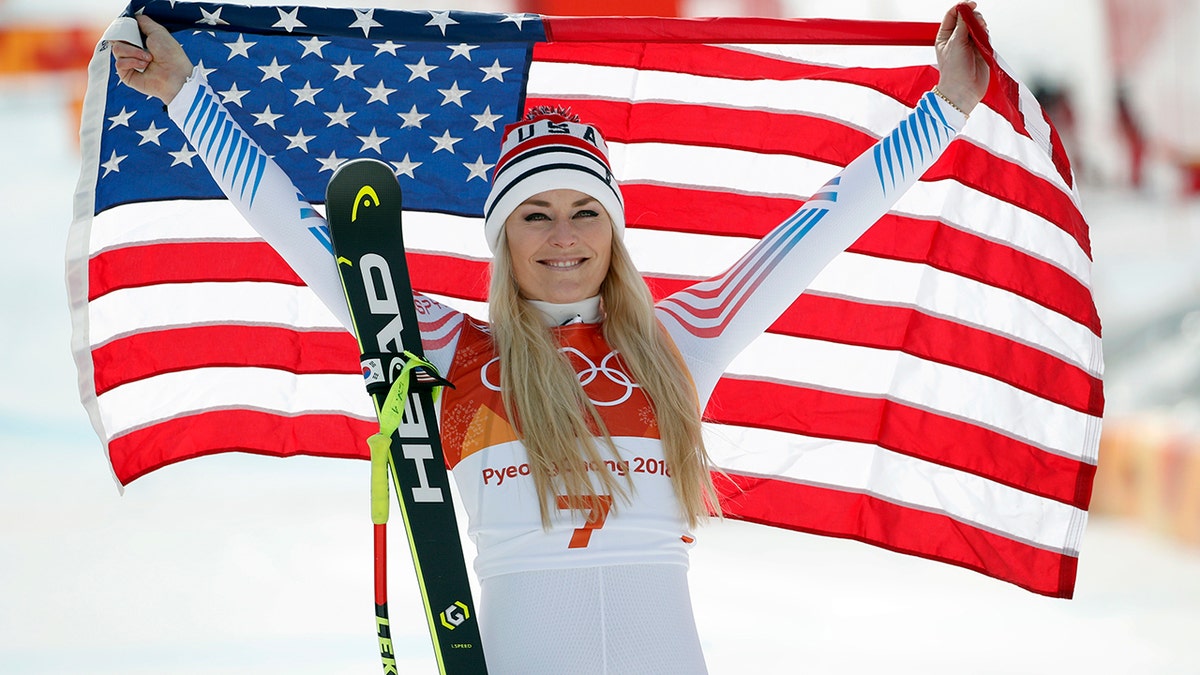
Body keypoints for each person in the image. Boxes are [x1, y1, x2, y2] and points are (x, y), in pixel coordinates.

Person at [112, 3, 989, 672]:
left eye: (583, 213)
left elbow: (825, 222)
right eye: (536, 214)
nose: (563, 236)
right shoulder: (450, 350)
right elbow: (300, 229)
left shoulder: (688, 335)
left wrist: (945, 109)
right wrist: (182, 93)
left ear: (612, 232)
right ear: (502, 237)